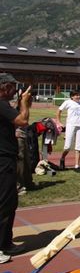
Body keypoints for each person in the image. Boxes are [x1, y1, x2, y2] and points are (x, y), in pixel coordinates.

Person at [0, 73, 31, 263]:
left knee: (9, 201)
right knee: (5, 202)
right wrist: (25, 102)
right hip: (3, 160)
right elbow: (22, 121)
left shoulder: (4, 105)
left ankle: (6, 243)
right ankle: (1, 247)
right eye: (13, 87)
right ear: (5, 87)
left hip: (5, 157)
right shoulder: (1, 104)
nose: (15, 90)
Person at [57, 90, 80, 172]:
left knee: (78, 146)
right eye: (76, 95)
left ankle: (77, 166)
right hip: (71, 125)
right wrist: (59, 121)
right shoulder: (68, 102)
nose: (78, 97)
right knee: (67, 147)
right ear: (72, 96)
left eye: (79, 95)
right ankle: (62, 158)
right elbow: (59, 110)